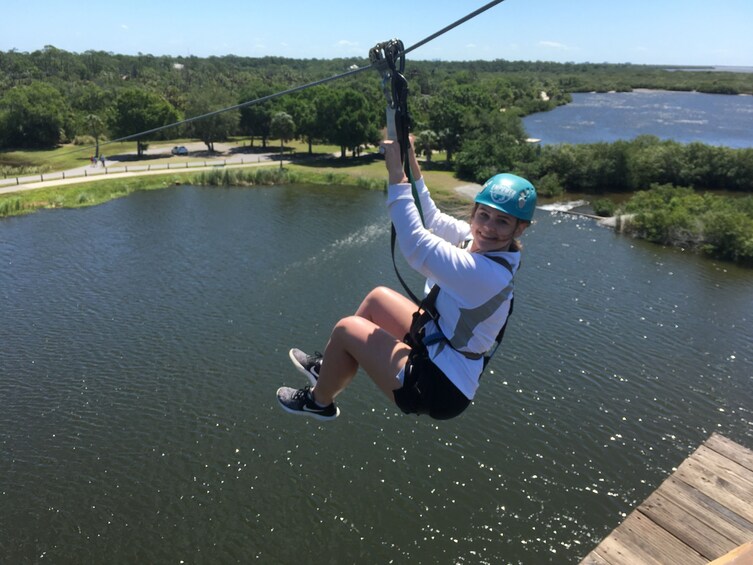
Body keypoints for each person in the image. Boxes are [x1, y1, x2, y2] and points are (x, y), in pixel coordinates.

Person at [276, 137, 536, 422]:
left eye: (502, 221)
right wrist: (409, 156)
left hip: (442, 386)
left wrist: (396, 175)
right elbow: (431, 218)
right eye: (483, 215)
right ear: (474, 213)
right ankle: (328, 368)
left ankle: (318, 401)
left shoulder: (487, 274)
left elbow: (415, 245)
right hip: (438, 344)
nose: (488, 227)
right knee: (377, 299)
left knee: (346, 329)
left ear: (519, 229)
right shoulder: (475, 242)